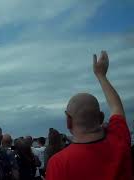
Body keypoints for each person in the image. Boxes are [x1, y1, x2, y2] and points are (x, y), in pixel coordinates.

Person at [46, 51, 132, 180]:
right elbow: (116, 107)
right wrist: (101, 75)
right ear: (101, 117)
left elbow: (116, 108)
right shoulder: (119, 140)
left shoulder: (58, 163)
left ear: (69, 121)